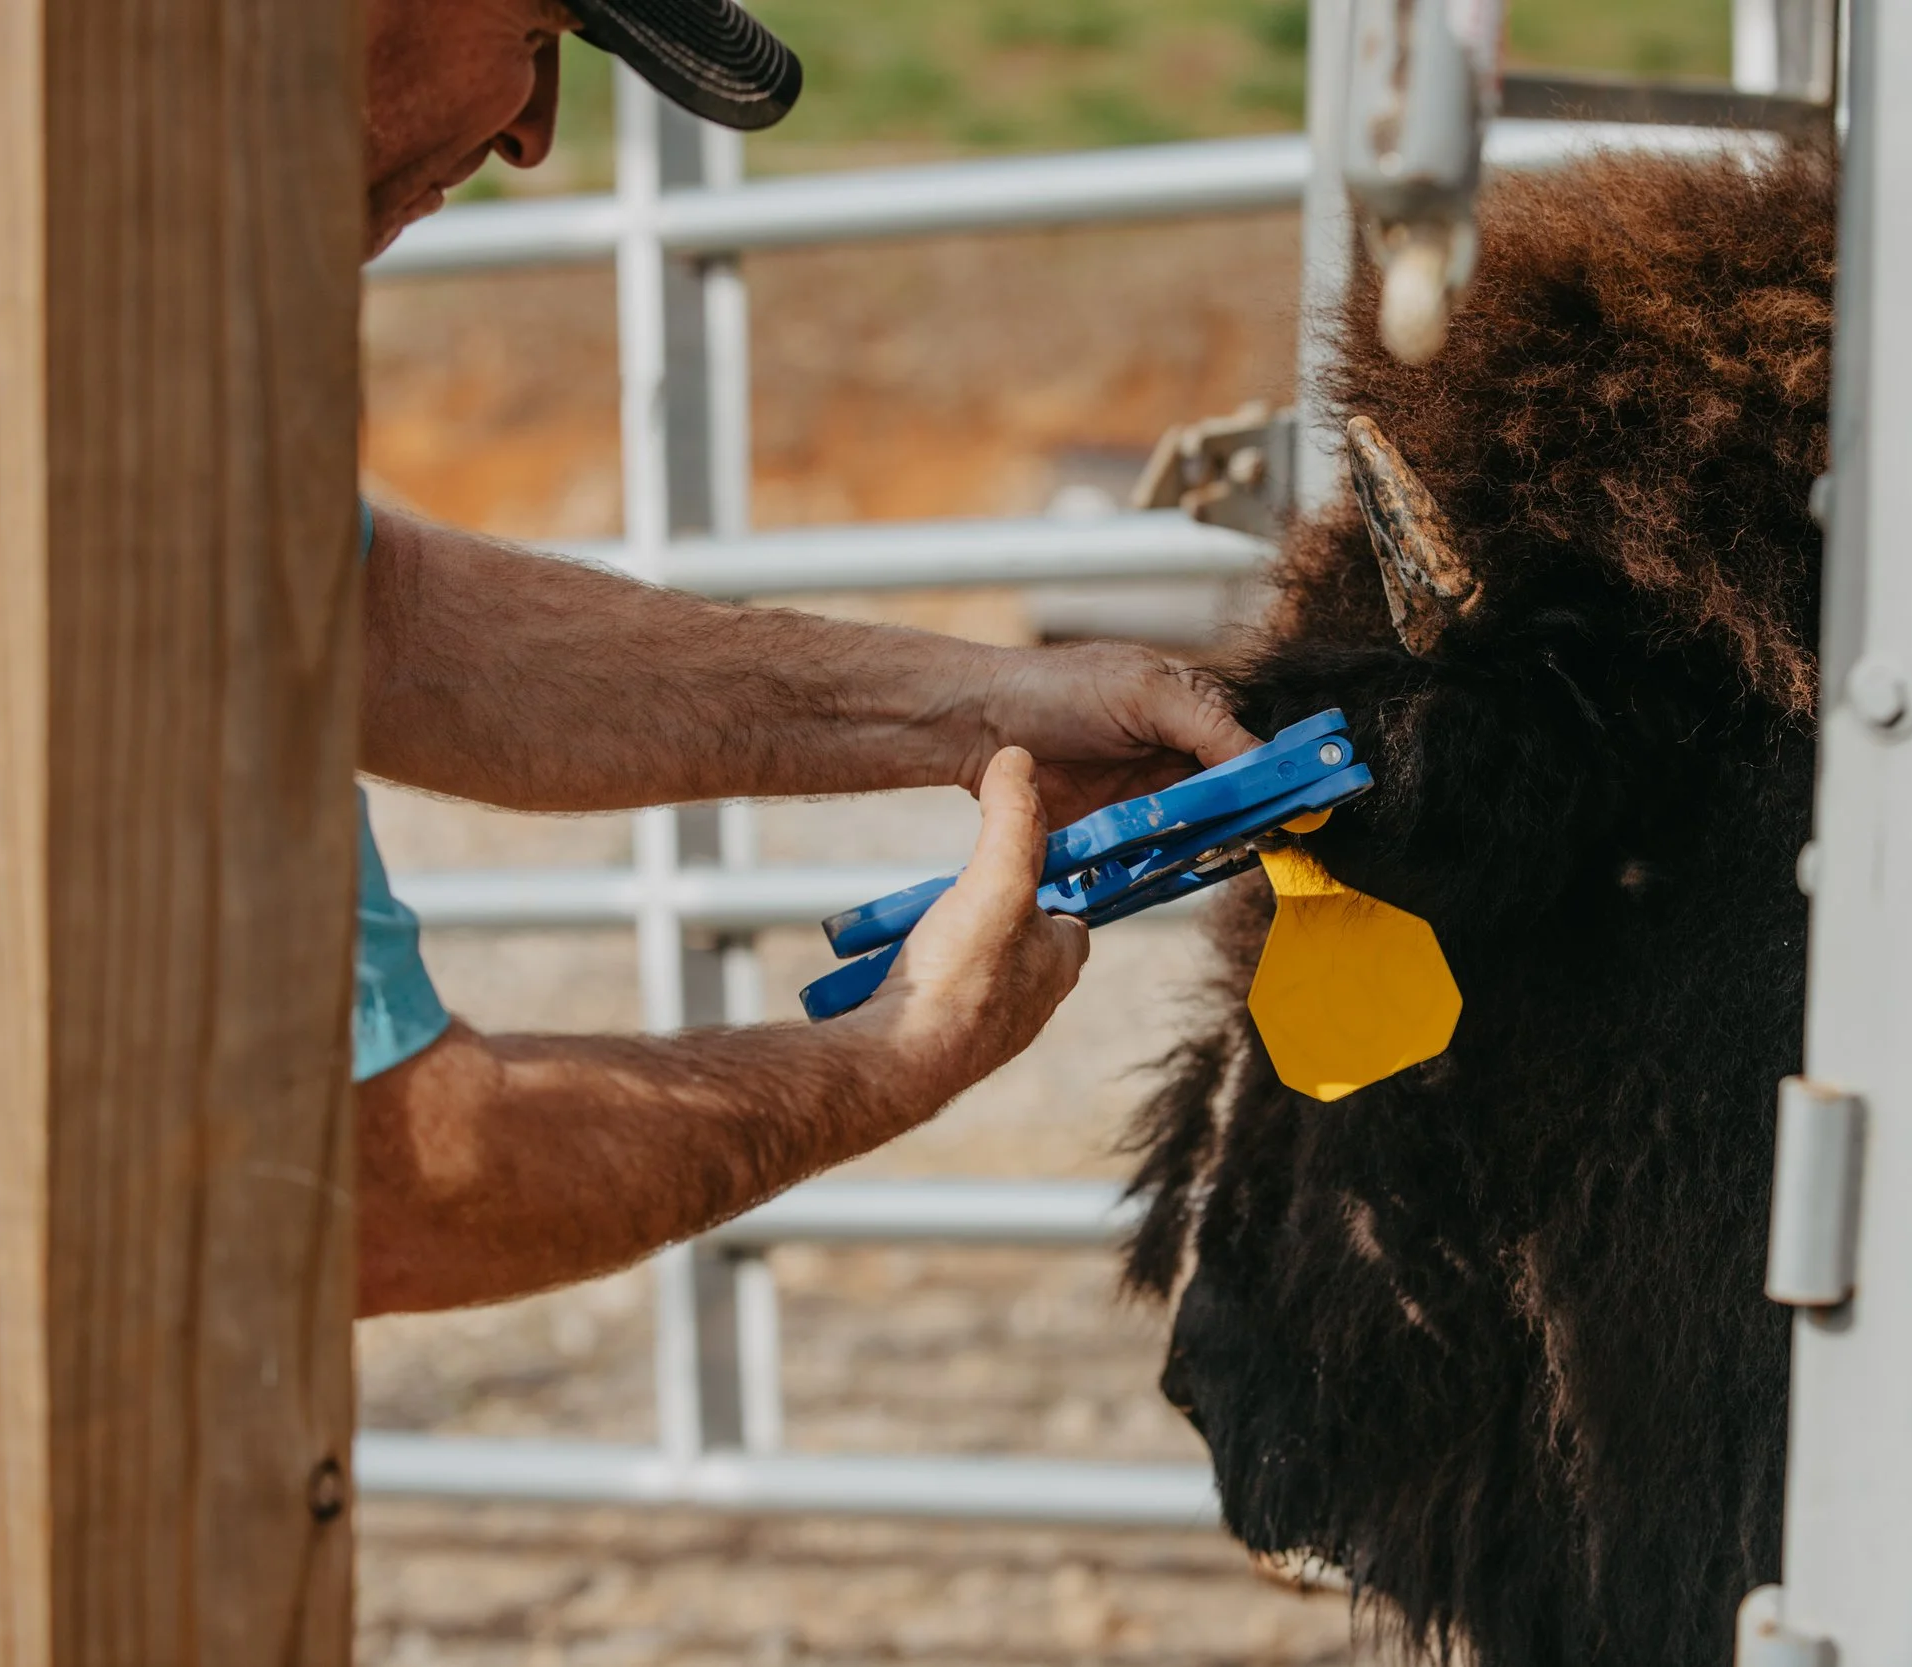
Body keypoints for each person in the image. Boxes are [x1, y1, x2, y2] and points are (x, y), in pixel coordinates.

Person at [355, 0, 1256, 1314]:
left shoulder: (138, 316)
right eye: (538, 28)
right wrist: (900, 1052)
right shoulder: (116, 431)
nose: (534, 133)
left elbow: (379, 621)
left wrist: (981, 707)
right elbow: (394, 1184)